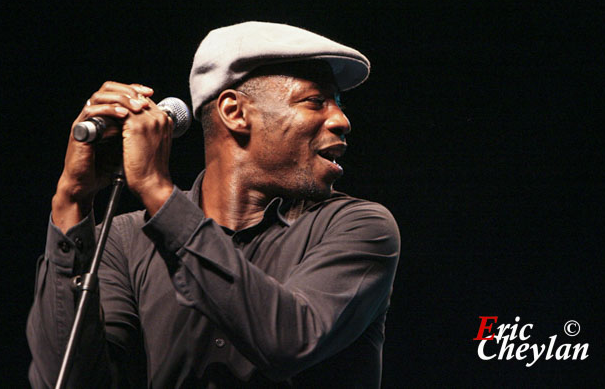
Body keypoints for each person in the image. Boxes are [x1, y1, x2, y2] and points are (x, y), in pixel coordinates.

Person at [27, 21, 400, 388]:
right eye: (316, 101)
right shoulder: (124, 241)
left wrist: (158, 191)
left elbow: (289, 341)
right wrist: (72, 202)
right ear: (235, 112)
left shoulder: (358, 227)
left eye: (337, 104)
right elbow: (71, 380)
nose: (342, 120)